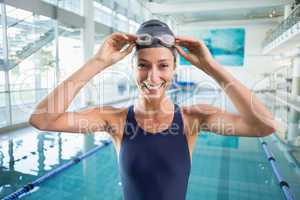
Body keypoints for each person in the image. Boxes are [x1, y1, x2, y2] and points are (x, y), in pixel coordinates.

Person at [29, 19, 276, 200]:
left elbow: (264, 125)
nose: (153, 76)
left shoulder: (193, 118)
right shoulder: (113, 119)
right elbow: (42, 120)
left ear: (174, 69)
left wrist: (211, 66)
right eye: (143, 65)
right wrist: (98, 62)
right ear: (133, 68)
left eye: (163, 66)